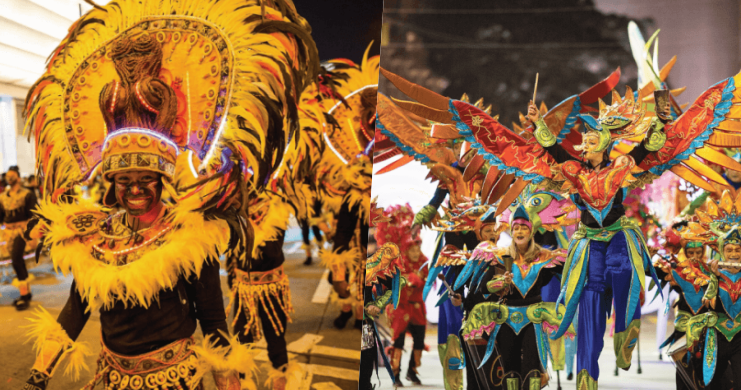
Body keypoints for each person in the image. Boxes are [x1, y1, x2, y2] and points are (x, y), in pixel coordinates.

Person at [18, 0, 320, 388]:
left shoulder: (190, 237)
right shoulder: (94, 237)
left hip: (175, 379)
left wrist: (229, 381)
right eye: (125, 181)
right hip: (111, 378)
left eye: (145, 178)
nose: (135, 189)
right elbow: (76, 307)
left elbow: (212, 322)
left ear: (162, 180)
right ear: (111, 185)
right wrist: (40, 371)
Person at [458, 206, 569, 390]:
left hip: (533, 319)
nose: (519, 231)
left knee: (532, 369)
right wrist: (497, 284)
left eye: (523, 228)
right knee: (510, 369)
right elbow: (484, 287)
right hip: (507, 319)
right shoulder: (501, 256)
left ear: (531, 231)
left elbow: (568, 273)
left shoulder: (545, 256)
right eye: (515, 228)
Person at [653, 222, 713, 390]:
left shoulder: (711, 270)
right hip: (684, 324)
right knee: (683, 366)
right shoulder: (675, 270)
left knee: (705, 367)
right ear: (685, 252)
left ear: (703, 252)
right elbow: (651, 271)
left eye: (698, 252)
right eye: (691, 252)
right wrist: (646, 257)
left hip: (707, 324)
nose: (694, 255)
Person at [375, 204, 429, 386]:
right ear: (405, 250)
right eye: (412, 249)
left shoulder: (424, 264)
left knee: (420, 341)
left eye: (417, 248)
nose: (416, 252)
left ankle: (412, 372)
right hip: (399, 307)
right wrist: (410, 279)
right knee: (398, 343)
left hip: (417, 308)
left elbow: (425, 282)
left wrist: (416, 279)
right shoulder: (397, 265)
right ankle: (395, 375)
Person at [1, 165, 37, 310]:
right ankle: (26, 293)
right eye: (7, 176)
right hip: (8, 232)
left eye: (12, 176)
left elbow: (33, 215)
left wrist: (33, 234)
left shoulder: (27, 194)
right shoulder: (2, 197)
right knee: (17, 260)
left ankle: (24, 296)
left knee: (16, 258)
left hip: (23, 231)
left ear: (17, 177)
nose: (9, 178)